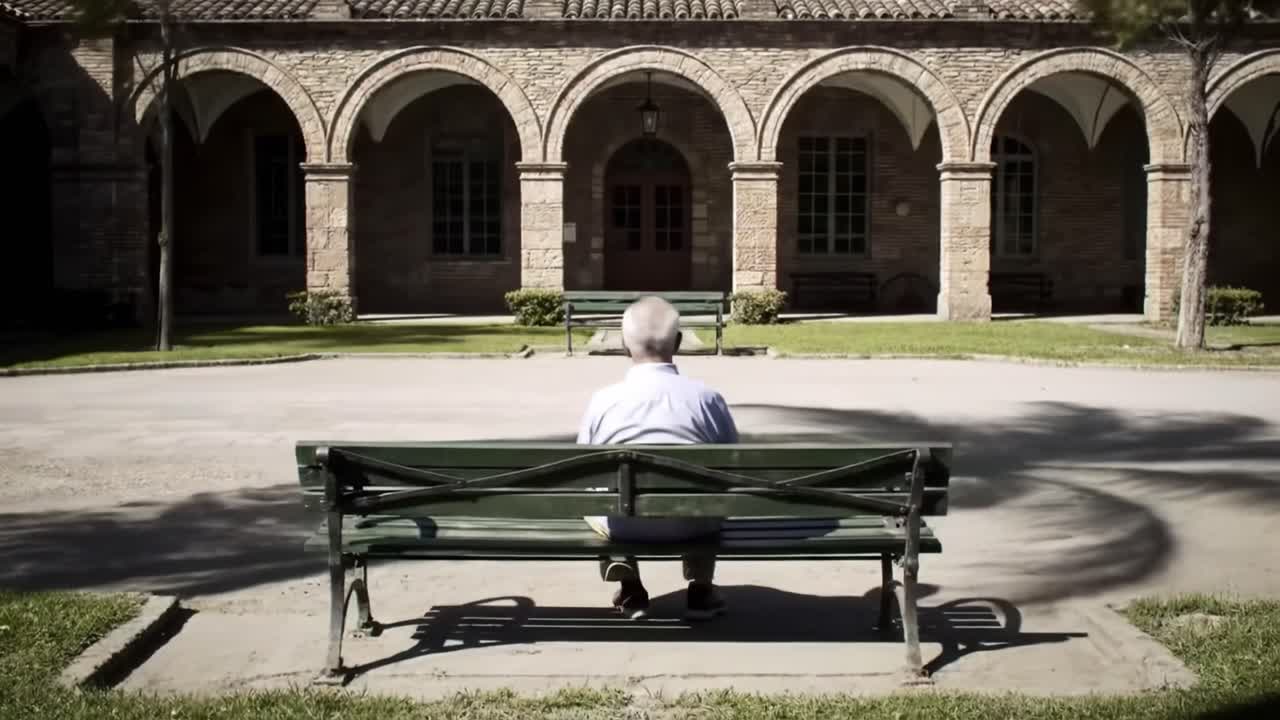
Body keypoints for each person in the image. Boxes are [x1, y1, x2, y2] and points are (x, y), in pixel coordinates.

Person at [576, 295, 739, 621]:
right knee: (710, 493)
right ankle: (702, 590)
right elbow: (731, 465)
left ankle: (631, 587)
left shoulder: (603, 400)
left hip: (625, 525)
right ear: (678, 342)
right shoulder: (707, 398)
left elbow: (584, 468)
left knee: (600, 497)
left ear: (624, 345)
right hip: (694, 524)